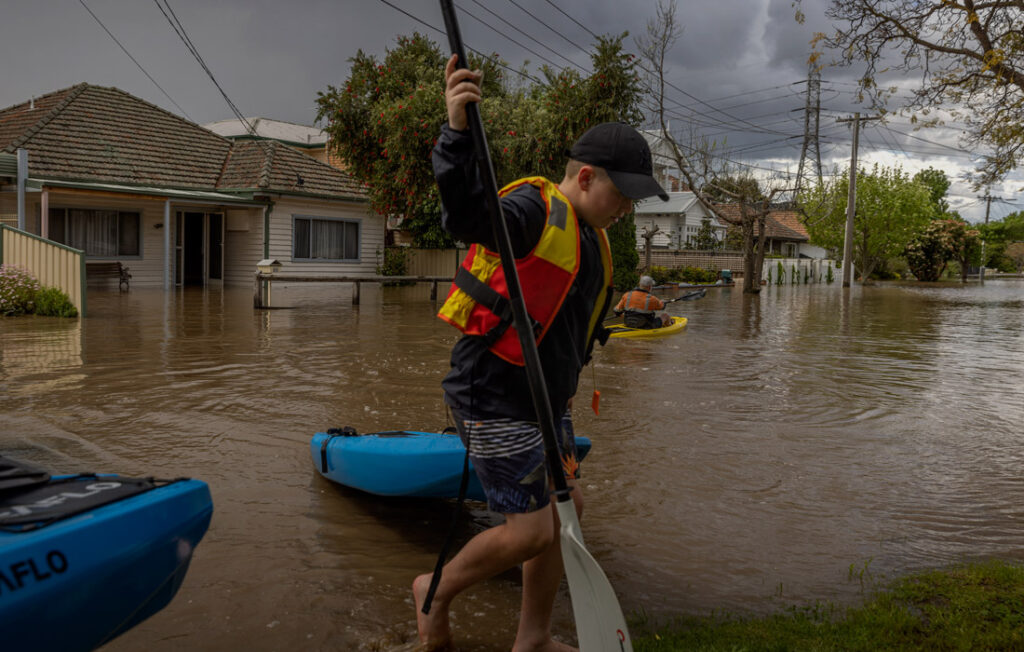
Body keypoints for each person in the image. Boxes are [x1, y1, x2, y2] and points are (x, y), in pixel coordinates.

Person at [413, 54, 668, 651]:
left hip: (547, 401)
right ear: (584, 177)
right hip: (494, 394)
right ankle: (434, 589)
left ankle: (531, 639)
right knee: (530, 532)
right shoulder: (531, 212)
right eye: (621, 193)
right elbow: (469, 215)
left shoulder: (591, 237)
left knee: (567, 508)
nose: (627, 207)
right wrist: (456, 132)